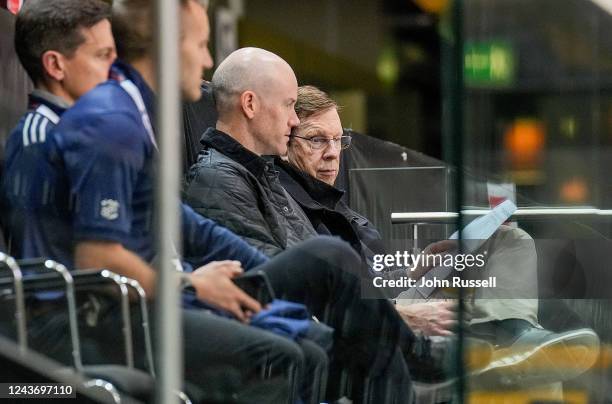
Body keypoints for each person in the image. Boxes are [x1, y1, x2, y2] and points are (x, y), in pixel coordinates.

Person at [2, 1, 327, 402]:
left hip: (133, 304)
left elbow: (174, 227)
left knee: (308, 333)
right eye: (104, 56)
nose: (115, 70)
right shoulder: (45, 139)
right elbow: (74, 268)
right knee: (279, 354)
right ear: (56, 65)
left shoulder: (107, 128)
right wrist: (190, 286)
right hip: (87, 319)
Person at [280, 84, 601, 388]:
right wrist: (398, 308)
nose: (333, 153)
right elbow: (323, 295)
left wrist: (413, 269)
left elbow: (372, 275)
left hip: (389, 295)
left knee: (509, 240)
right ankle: (507, 341)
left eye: (338, 140)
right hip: (373, 313)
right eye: (317, 140)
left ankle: (513, 333)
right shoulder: (290, 211)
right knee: (539, 363)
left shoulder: (345, 212)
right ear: (286, 145)